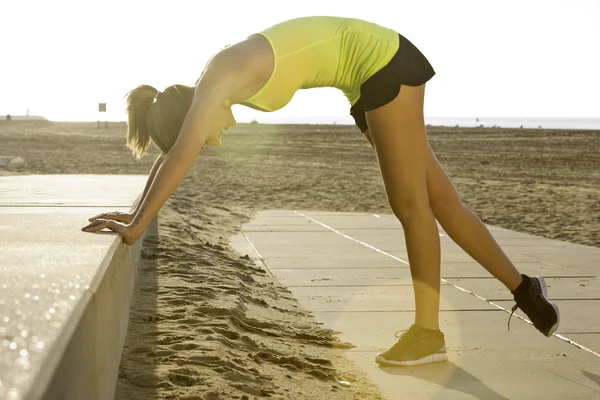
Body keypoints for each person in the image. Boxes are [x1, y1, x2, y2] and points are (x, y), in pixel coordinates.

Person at [82, 16, 560, 367]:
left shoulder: (219, 79)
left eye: (205, 134)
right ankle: (525, 289)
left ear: (194, 117)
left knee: (411, 205)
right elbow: (176, 152)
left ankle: (429, 334)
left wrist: (138, 223)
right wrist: (135, 213)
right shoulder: (206, 90)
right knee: (439, 201)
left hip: (383, 63)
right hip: (362, 81)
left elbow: (181, 151)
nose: (216, 139)